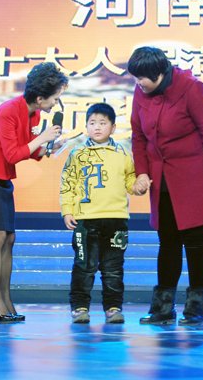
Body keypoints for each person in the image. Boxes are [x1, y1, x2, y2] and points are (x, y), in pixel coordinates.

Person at [129, 46, 203, 326]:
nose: (138, 83)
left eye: (142, 78)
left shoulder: (192, 88)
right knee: (168, 242)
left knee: (196, 242)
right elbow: (138, 137)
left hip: (194, 177)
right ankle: (163, 308)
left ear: (159, 73)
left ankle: (196, 306)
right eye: (135, 78)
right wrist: (142, 173)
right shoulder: (141, 92)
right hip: (161, 179)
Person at [0, 62, 68, 323]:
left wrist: (51, 147)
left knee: (9, 238)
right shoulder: (8, 111)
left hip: (1, 175)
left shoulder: (33, 114)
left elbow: (27, 151)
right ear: (40, 97)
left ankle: (6, 299)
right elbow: (12, 154)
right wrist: (41, 139)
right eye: (55, 98)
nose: (56, 103)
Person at [60, 103, 137, 324]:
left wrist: (139, 186)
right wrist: (67, 211)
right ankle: (79, 307)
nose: (97, 127)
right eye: (92, 123)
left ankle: (113, 308)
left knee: (113, 268)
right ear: (86, 126)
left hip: (116, 219)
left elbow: (130, 180)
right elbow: (68, 183)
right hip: (85, 219)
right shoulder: (77, 153)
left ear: (113, 127)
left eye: (103, 123)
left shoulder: (123, 153)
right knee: (84, 266)